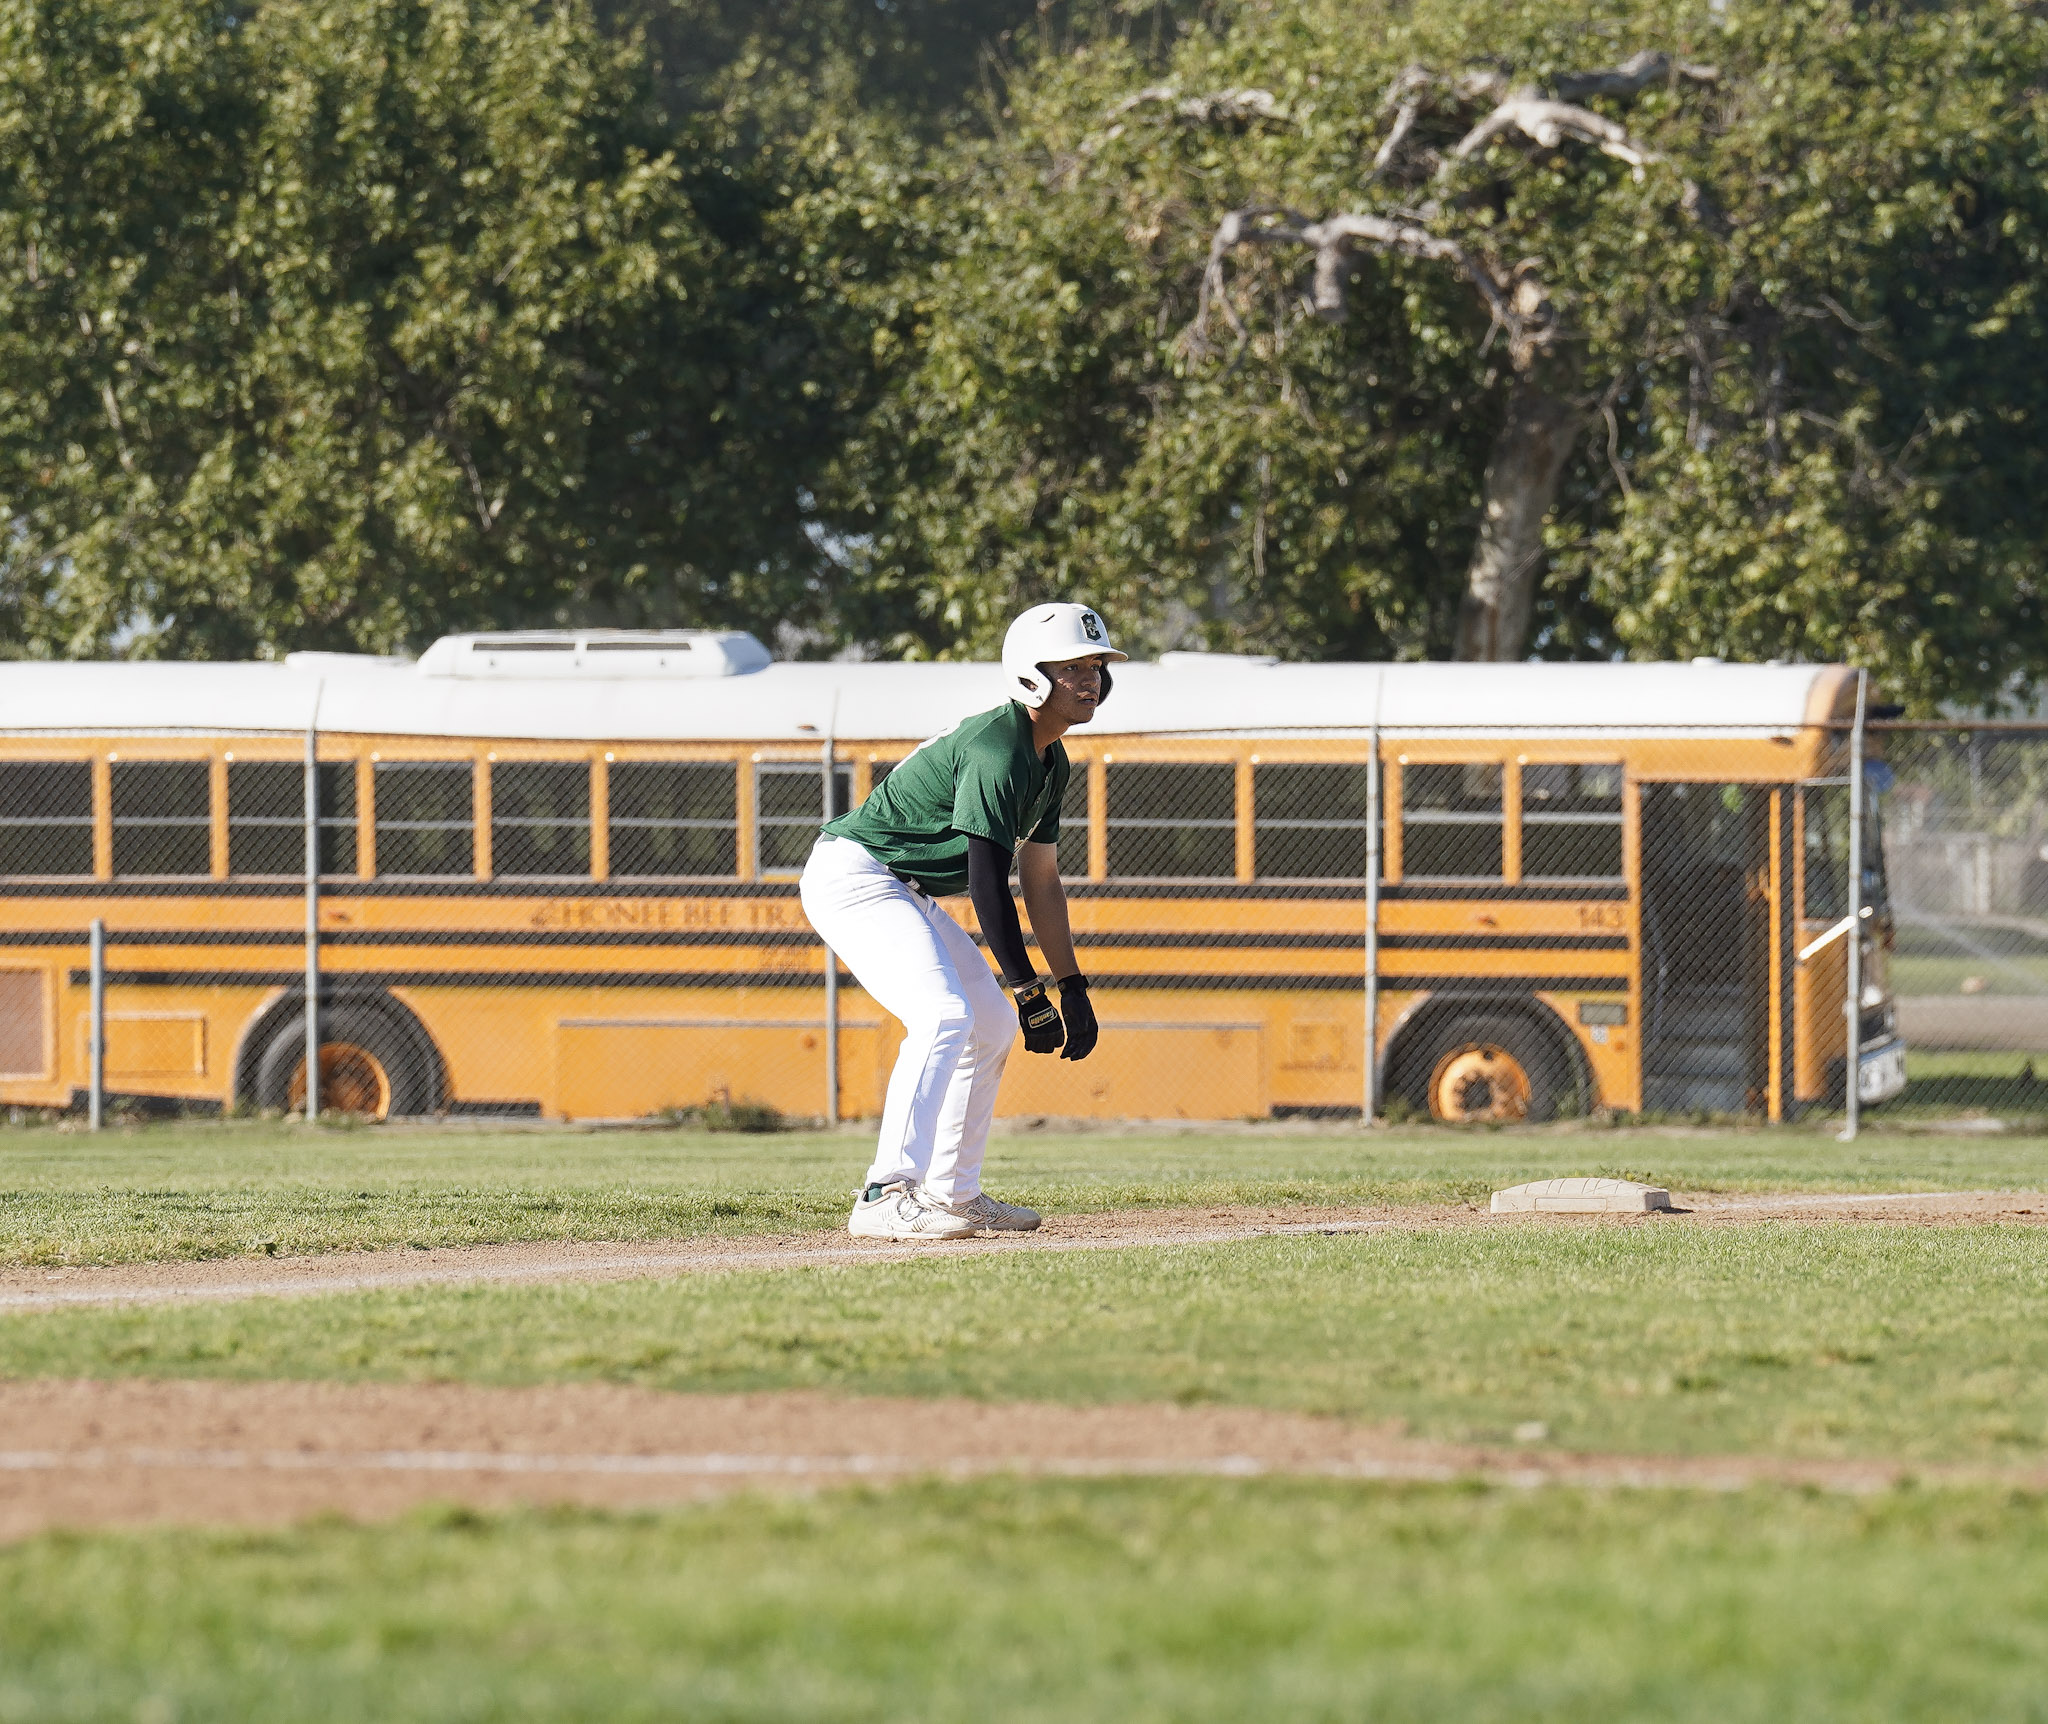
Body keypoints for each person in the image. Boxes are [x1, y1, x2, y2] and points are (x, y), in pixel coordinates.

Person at [799, 603, 1126, 1239]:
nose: (1090, 678)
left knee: (992, 1025)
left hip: (903, 886)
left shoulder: (1050, 760)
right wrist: (1029, 987)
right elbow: (986, 884)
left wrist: (1071, 986)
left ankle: (954, 1192)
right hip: (856, 875)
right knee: (945, 1016)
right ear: (1031, 675)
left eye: (1095, 665)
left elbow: (1041, 881)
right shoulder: (998, 749)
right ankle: (884, 1193)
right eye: (1072, 667)